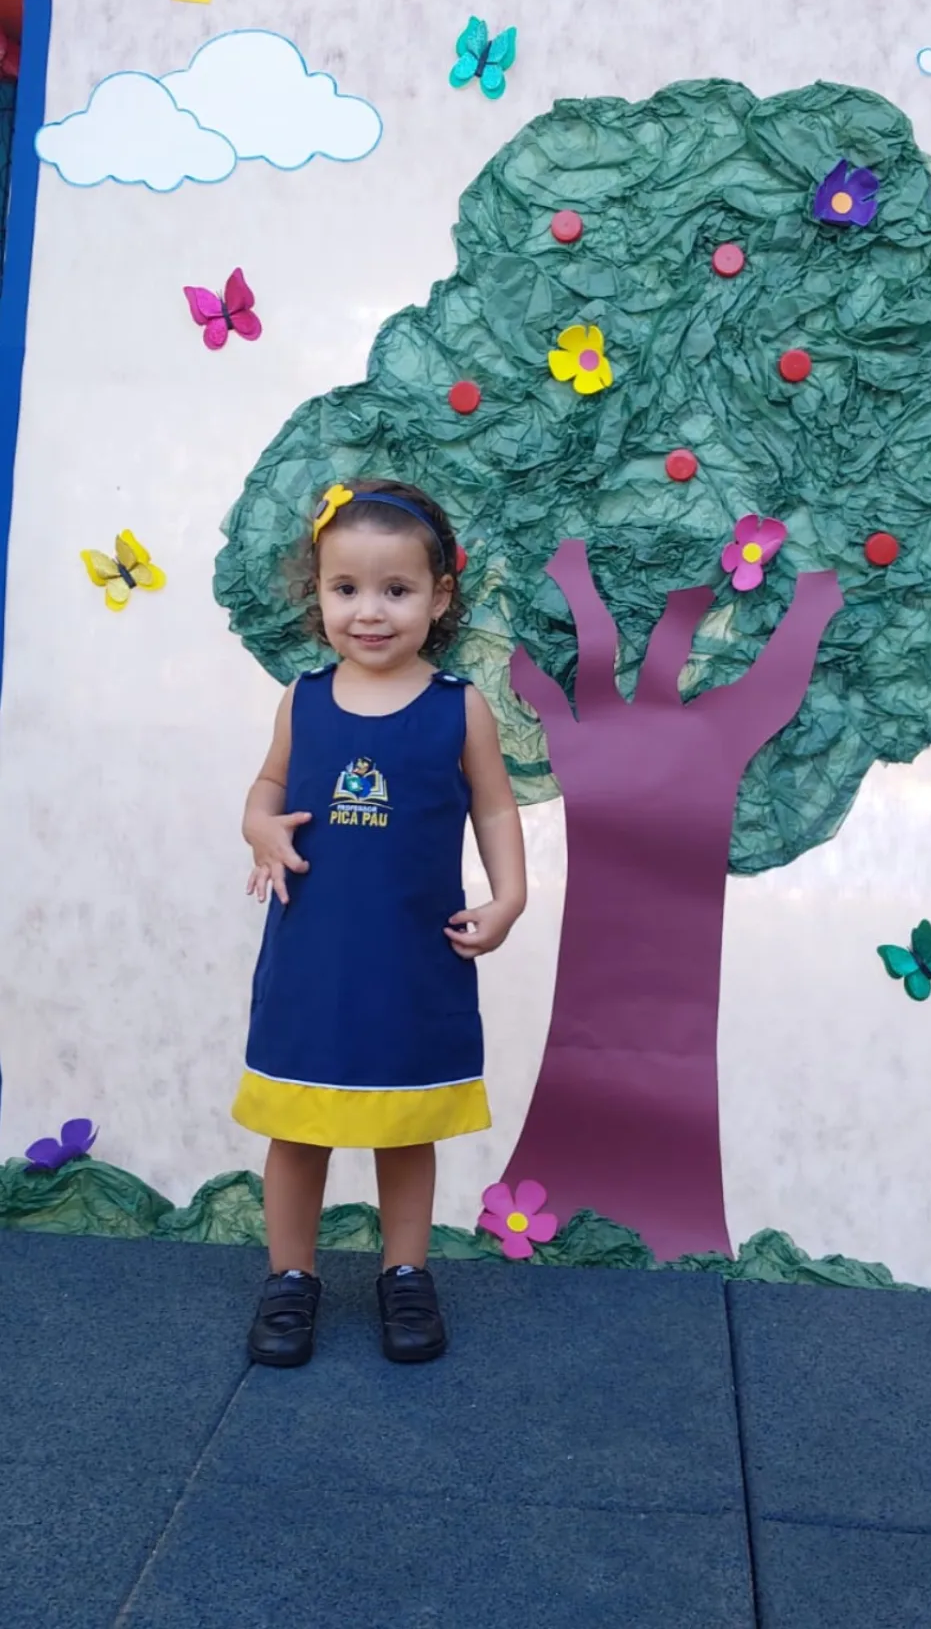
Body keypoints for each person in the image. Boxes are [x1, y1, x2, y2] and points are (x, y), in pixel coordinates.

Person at [233, 478, 527, 1368]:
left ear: (439, 598)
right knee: (299, 1127)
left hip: (412, 964)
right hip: (312, 962)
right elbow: (268, 785)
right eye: (345, 588)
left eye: (395, 590)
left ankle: (405, 1274)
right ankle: (290, 1279)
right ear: (317, 595)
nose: (369, 611)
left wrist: (509, 897)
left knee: (405, 1129)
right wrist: (258, 826)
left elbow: (496, 808)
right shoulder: (303, 699)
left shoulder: (459, 708)